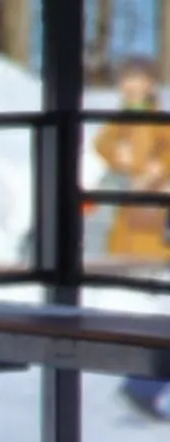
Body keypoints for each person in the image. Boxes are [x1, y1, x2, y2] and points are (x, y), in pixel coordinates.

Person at [94, 59, 170, 420]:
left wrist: (158, 171)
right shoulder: (124, 121)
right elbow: (105, 144)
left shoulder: (157, 122)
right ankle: (143, 385)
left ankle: (143, 385)